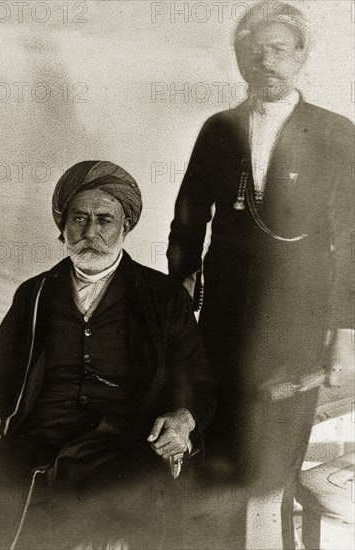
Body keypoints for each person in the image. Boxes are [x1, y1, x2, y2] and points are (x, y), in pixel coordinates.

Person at [0, 160, 216, 550]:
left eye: (104, 220)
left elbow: (199, 383)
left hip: (126, 444)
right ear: (63, 225)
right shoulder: (35, 294)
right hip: (37, 437)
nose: (90, 232)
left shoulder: (163, 297)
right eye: (79, 218)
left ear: (126, 226)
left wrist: (183, 418)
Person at [167, 2, 354, 546]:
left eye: (278, 49)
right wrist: (181, 291)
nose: (265, 61)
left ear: (301, 56)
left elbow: (352, 242)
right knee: (217, 444)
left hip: (299, 319)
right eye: (253, 51)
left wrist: (344, 341)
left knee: (273, 461)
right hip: (223, 314)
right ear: (239, 60)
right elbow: (186, 219)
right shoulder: (219, 129)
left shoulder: (335, 132)